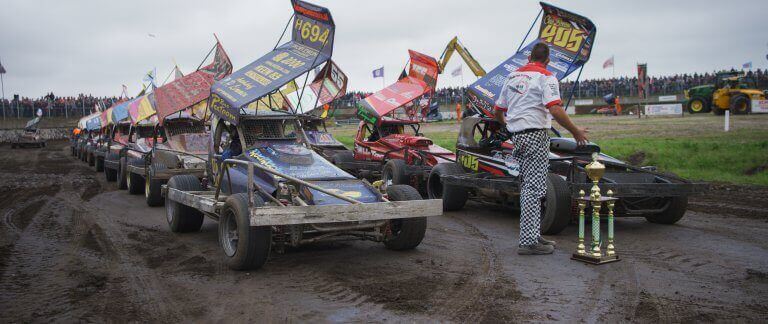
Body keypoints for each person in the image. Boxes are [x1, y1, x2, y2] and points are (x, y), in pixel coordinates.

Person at [493, 42, 589, 255]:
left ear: (529, 58)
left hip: (518, 136)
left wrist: (508, 124)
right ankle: (527, 242)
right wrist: (575, 131)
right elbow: (554, 108)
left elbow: (498, 110)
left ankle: (533, 235)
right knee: (533, 189)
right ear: (547, 60)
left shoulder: (512, 76)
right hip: (536, 134)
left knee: (530, 185)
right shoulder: (546, 77)